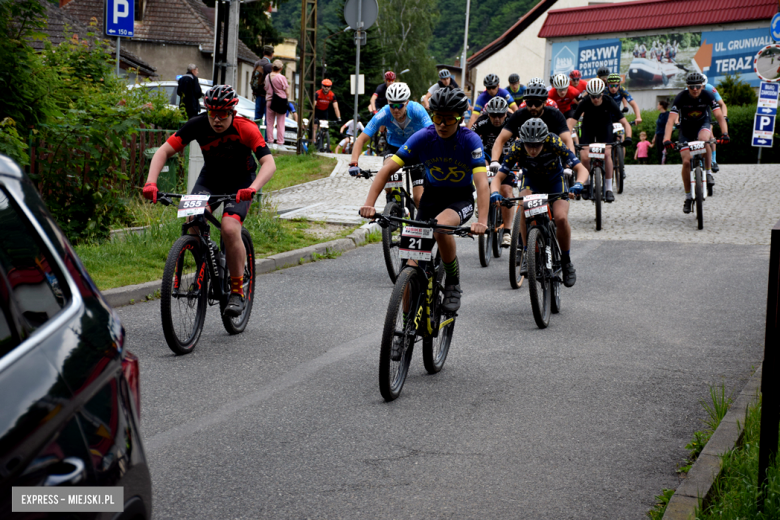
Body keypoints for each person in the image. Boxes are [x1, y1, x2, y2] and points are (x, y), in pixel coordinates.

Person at [142, 85, 276, 317]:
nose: (216, 119)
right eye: (212, 113)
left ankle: (236, 291)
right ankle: (205, 256)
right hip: (210, 179)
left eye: (222, 114)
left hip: (241, 182)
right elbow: (163, 151)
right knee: (192, 220)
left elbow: (269, 164)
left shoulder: (245, 128)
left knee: (230, 228)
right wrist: (151, 182)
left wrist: (252, 189)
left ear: (232, 111)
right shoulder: (197, 124)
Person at [358, 87, 489, 312]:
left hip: (460, 200)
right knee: (410, 265)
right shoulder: (425, 136)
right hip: (431, 198)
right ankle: (404, 332)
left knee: (440, 227)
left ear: (460, 118)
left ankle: (453, 283)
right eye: (438, 118)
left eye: (450, 119)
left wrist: (482, 220)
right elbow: (387, 169)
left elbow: (482, 183)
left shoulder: (470, 140)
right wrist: (369, 204)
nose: (443, 124)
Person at [492, 118, 588, 287]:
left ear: (545, 140)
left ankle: (566, 261)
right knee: (523, 205)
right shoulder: (518, 147)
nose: (533, 149)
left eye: (537, 145)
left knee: (561, 218)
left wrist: (579, 183)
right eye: (529, 145)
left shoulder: (554, 142)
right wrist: (494, 193)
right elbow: (498, 177)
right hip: (531, 181)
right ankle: (528, 253)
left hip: (554, 180)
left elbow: (581, 168)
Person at [348, 82, 432, 207]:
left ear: (407, 102)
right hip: (395, 148)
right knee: (386, 173)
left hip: (416, 150)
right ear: (388, 102)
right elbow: (361, 139)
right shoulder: (384, 113)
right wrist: (354, 163)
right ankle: (392, 203)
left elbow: (433, 133)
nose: (396, 109)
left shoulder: (417, 109)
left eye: (400, 105)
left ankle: (421, 223)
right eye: (392, 105)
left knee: (419, 198)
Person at [663, 72, 729, 214]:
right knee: (686, 162)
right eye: (692, 86)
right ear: (687, 86)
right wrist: (666, 139)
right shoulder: (681, 97)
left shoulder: (707, 95)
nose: (695, 89)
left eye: (698, 86)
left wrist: (725, 134)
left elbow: (719, 116)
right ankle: (688, 197)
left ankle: (708, 171)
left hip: (702, 125)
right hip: (685, 130)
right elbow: (670, 121)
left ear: (702, 86)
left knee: (706, 140)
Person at [566, 78, 632, 203]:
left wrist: (628, 137)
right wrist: (567, 137)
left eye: (597, 95)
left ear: (602, 93)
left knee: (607, 154)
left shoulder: (609, 101)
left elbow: (625, 123)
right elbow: (571, 124)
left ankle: (608, 189)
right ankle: (586, 183)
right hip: (588, 129)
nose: (595, 98)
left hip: (605, 128)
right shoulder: (585, 102)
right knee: (585, 157)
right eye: (592, 96)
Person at [490, 84, 575, 169]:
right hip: (527, 161)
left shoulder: (555, 115)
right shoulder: (518, 115)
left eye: (537, 103)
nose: (533, 107)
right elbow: (500, 140)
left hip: (551, 161)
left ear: (545, 103)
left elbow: (567, 141)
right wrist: (494, 161)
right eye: (529, 103)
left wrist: (569, 167)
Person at [472, 97, 515, 247]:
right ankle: (481, 203)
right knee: (480, 175)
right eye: (493, 115)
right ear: (488, 114)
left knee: (506, 189)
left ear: (505, 113)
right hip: (488, 157)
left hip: (507, 159)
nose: (497, 119)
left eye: (500, 115)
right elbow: (471, 140)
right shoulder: (482, 121)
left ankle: (508, 231)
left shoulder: (513, 120)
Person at [700, 74, 728, 172]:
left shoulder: (710, 88)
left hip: (706, 114)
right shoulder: (690, 89)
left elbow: (722, 104)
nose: (700, 88)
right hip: (693, 116)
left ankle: (713, 160)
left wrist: (724, 116)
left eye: (703, 86)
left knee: (710, 135)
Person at [264, 60, 289, 148]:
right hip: (280, 101)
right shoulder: (281, 77)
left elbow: (265, 88)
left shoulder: (267, 77)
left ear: (272, 67)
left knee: (269, 122)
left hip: (270, 101)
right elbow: (287, 91)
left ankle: (270, 142)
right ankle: (280, 143)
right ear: (281, 68)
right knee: (280, 123)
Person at [252, 46, 274, 123]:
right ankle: (265, 135)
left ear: (263, 53)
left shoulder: (257, 63)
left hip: (257, 95)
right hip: (266, 96)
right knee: (268, 120)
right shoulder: (269, 66)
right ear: (272, 54)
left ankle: (255, 134)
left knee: (257, 118)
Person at [654, 100, 670, 164]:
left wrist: (666, 136)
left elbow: (667, 125)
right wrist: (654, 137)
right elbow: (658, 126)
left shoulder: (667, 114)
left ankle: (664, 163)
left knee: (663, 150)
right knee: (658, 151)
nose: (657, 106)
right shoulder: (660, 115)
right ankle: (659, 163)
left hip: (663, 134)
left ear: (661, 106)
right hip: (658, 134)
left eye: (658, 105)